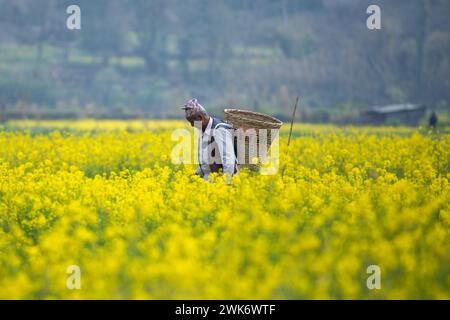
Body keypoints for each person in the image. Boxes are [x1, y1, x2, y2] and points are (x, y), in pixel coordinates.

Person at [180, 98, 238, 182]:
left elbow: (229, 161)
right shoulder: (204, 131)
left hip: (221, 185)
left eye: (192, 122)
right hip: (210, 184)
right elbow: (206, 164)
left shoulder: (219, 130)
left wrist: (227, 184)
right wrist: (194, 176)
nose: (192, 125)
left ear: (201, 118)